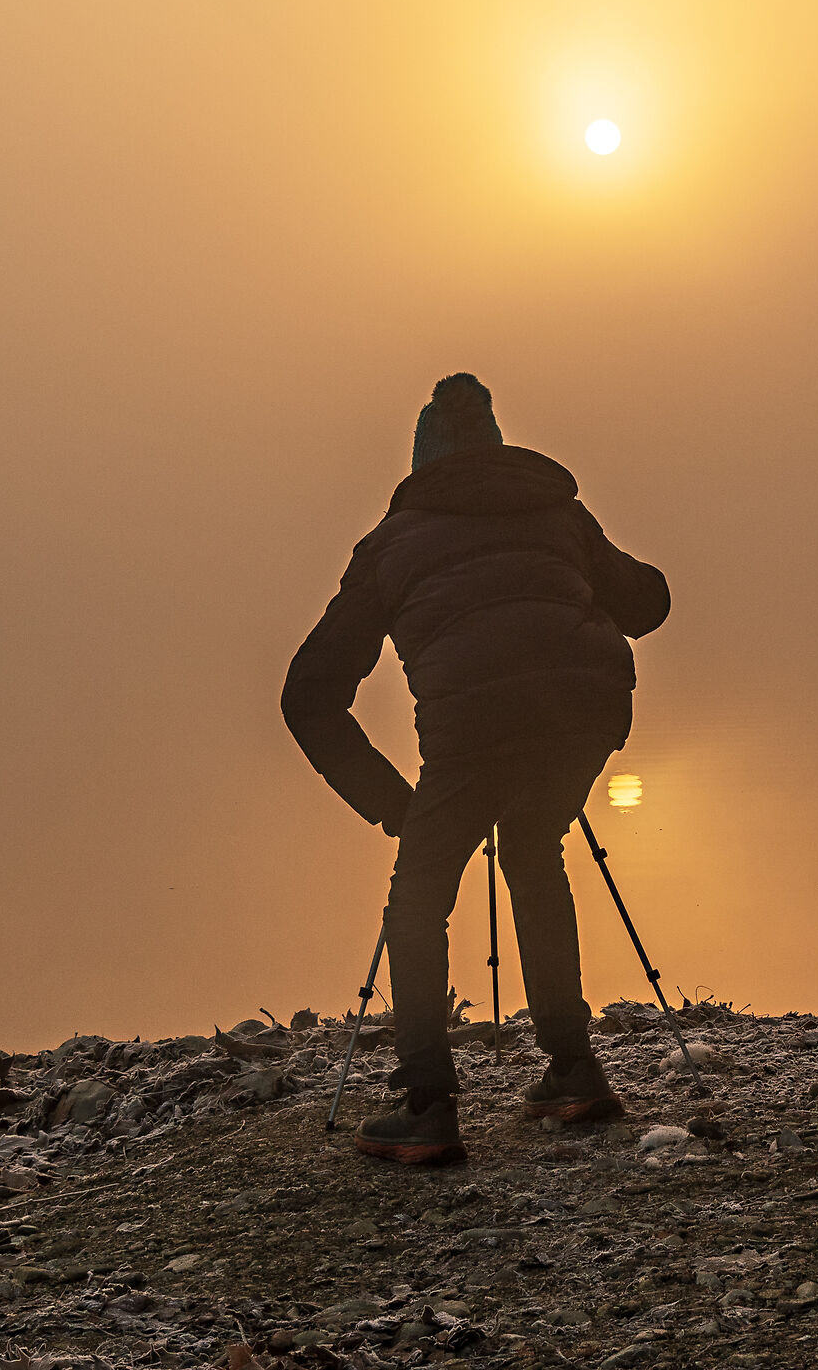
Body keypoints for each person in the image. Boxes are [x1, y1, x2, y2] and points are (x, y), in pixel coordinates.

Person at [281, 373, 670, 1165]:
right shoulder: (559, 511)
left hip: (472, 732)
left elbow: (309, 695)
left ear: (423, 462)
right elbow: (646, 606)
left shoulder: (392, 543)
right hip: (584, 708)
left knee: (420, 892)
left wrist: (392, 803)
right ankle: (573, 1069)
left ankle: (426, 1105)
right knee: (534, 853)